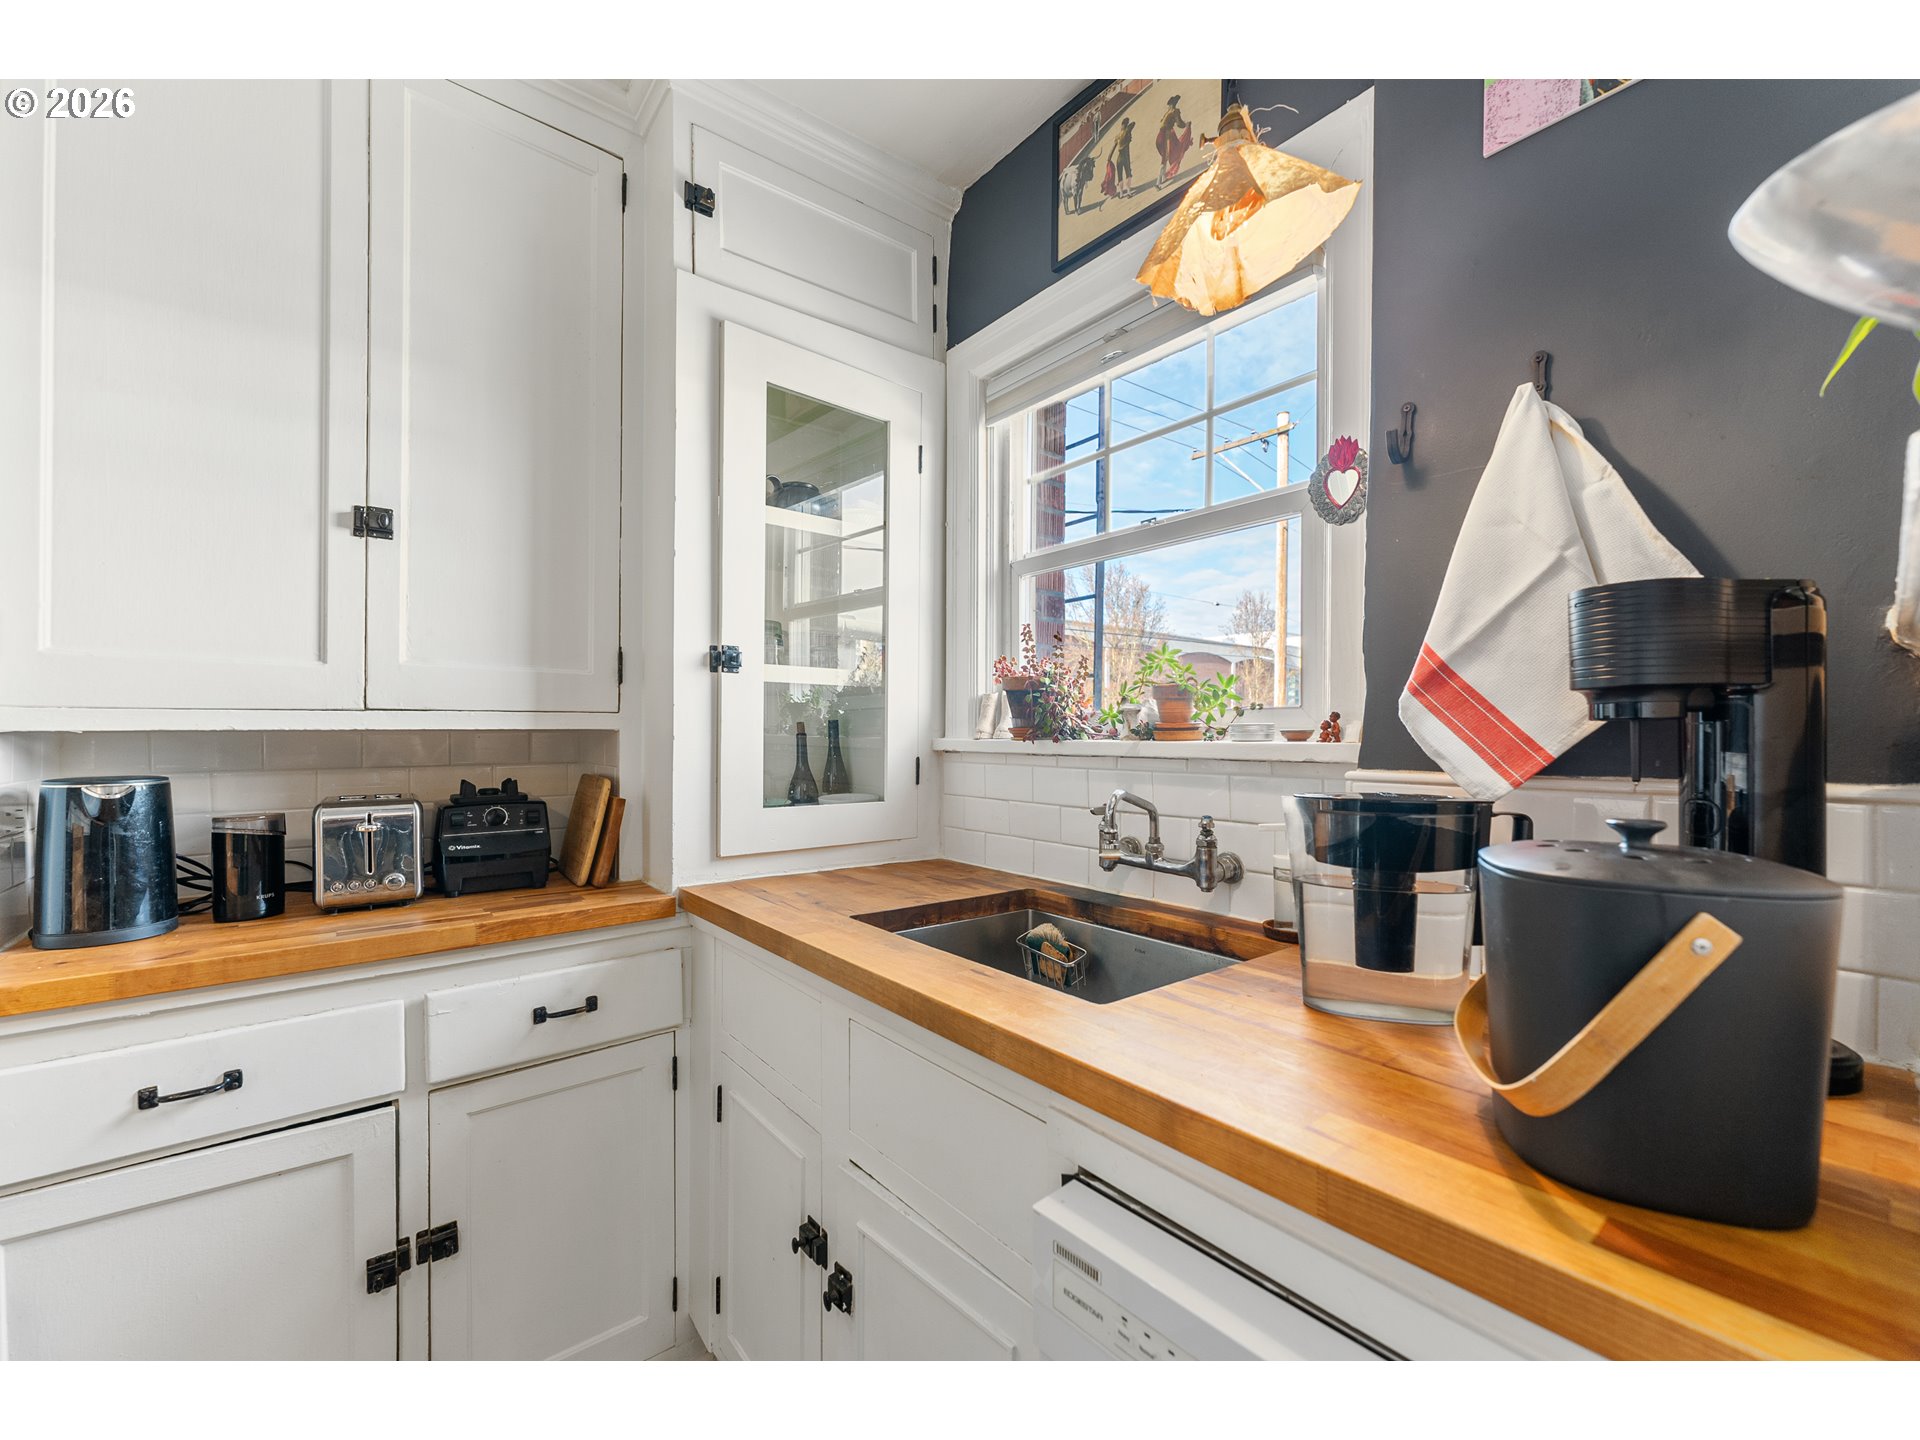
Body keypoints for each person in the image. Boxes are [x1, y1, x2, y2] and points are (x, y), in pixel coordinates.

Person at [1156, 93, 1194, 184]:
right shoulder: (1174, 111)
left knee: (1165, 157)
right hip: (1167, 136)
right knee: (1165, 158)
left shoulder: (1167, 112)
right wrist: (1187, 124)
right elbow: (1179, 124)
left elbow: (1162, 123)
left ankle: (1163, 179)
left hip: (1159, 137)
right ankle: (1158, 182)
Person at [1107, 115, 1136, 198]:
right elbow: (1133, 124)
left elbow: (1113, 148)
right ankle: (1129, 192)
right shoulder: (1127, 132)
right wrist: (1127, 127)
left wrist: (1109, 157)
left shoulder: (1118, 136)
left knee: (1120, 175)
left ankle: (1121, 193)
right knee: (1128, 174)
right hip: (1125, 156)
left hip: (1119, 158)